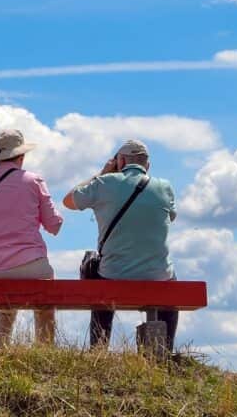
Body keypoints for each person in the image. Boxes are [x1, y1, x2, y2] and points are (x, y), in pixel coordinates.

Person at [63, 139, 179, 351]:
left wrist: (102, 173)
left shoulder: (105, 183)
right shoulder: (165, 187)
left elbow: (69, 200)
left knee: (94, 269)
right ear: (147, 165)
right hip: (157, 275)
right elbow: (171, 217)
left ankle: (98, 349)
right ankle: (165, 351)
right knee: (171, 281)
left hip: (113, 273)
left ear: (121, 161)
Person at [0, 129, 64, 347]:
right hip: (30, 264)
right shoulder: (34, 181)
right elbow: (54, 225)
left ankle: (1, 347)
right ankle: (44, 348)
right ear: (22, 155)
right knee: (46, 297)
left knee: (4, 299)